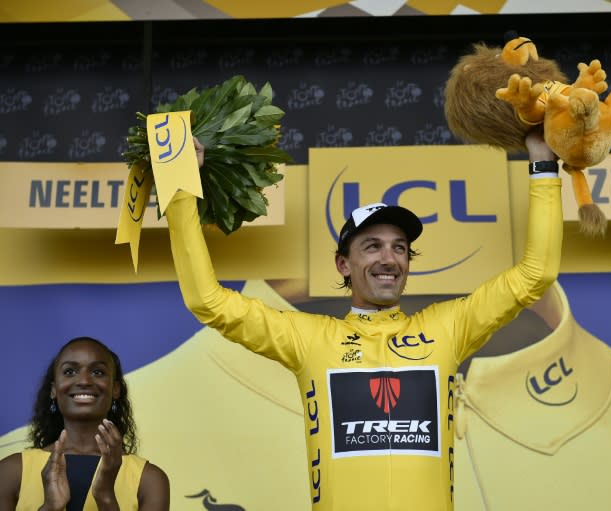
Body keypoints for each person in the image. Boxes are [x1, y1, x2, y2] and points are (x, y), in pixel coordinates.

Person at [163, 130, 562, 511]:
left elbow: (535, 275)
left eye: (399, 248)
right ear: (343, 264)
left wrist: (543, 164)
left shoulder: (448, 327)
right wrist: (181, 190)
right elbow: (208, 301)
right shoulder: (308, 337)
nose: (388, 259)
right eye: (372, 247)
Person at [0, 336, 169, 511]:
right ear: (54, 389)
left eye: (98, 372)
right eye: (70, 372)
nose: (84, 381)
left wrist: (106, 497)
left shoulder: (149, 479)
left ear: (115, 389)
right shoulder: (10, 472)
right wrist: (50, 507)